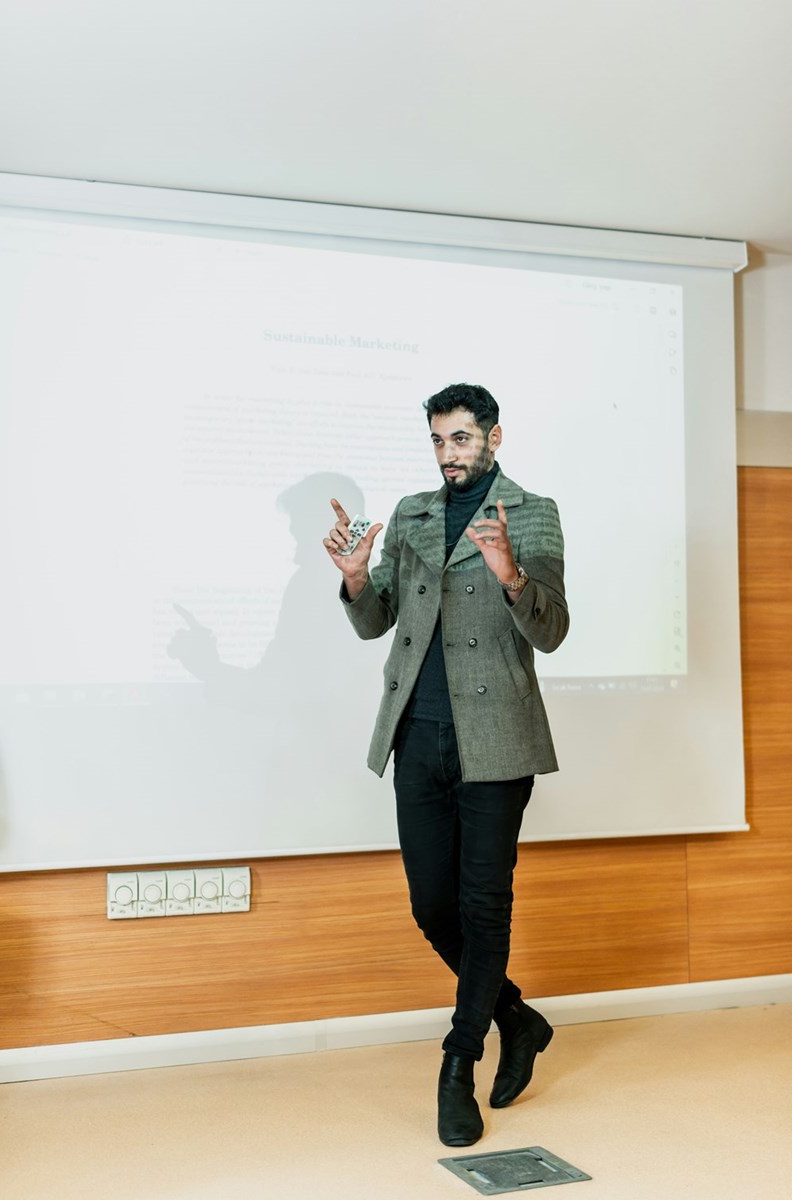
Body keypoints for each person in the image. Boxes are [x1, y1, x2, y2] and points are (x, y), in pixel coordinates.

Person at [323, 382, 569, 1147]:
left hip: (496, 738)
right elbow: (376, 622)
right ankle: (517, 1018)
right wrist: (360, 577)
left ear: (494, 438)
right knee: (434, 906)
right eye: (438, 440)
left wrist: (511, 576)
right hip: (416, 735)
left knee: (483, 906)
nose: (448, 454)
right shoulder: (413, 514)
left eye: (461, 439)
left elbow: (553, 628)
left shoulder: (533, 514)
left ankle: (459, 1061)